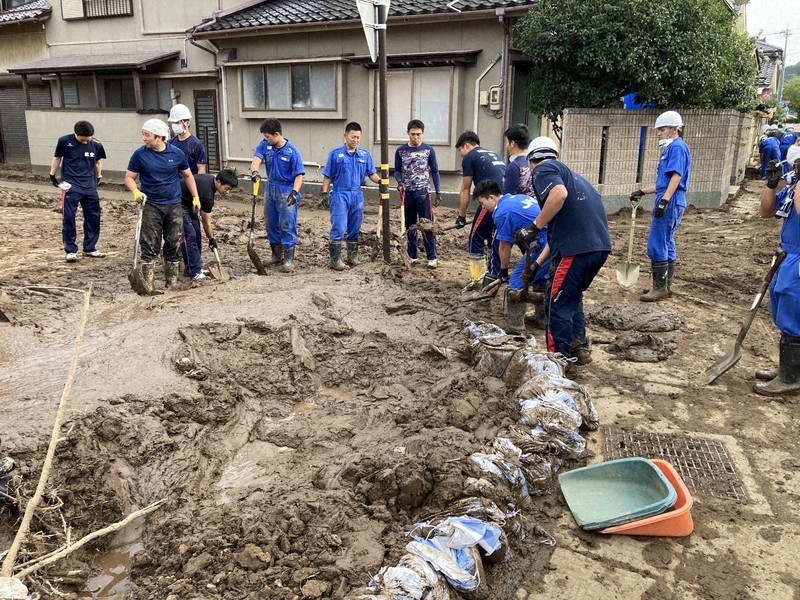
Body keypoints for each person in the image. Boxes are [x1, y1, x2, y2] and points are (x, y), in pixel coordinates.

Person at [515, 136, 611, 367]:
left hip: (576, 250)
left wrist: (532, 228)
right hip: (597, 247)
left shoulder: (544, 169)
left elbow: (558, 194)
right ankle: (578, 345)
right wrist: (536, 266)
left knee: (555, 304)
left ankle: (557, 362)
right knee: (570, 296)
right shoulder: (577, 179)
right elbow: (557, 236)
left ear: (531, 160)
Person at [125, 118, 200, 293]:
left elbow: (188, 175)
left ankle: (171, 282)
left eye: (147, 135)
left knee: (174, 242)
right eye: (143, 134)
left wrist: (196, 197)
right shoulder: (140, 154)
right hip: (150, 205)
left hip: (174, 205)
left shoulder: (176, 154)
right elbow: (129, 177)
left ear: (159, 137)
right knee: (149, 244)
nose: (143, 138)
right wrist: (135, 191)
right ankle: (148, 284)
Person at [629, 110, 692, 302]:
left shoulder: (677, 148)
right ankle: (665, 285)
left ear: (674, 130)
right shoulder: (673, 149)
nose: (658, 133)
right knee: (667, 242)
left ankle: (660, 288)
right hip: (672, 198)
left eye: (662, 129)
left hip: (671, 201)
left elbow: (676, 176)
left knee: (657, 243)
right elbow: (664, 182)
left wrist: (664, 200)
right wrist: (643, 191)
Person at [472, 179, 550, 334]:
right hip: (555, 239)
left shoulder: (502, 213)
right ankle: (542, 318)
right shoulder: (518, 198)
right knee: (541, 278)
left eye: (482, 203)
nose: (483, 207)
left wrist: (503, 271)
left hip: (545, 244)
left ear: (492, 198)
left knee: (517, 282)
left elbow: (504, 246)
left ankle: (515, 328)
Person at [754, 159, 800, 396]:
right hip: (788, 253)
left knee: (794, 314)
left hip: (799, 257)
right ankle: (788, 369)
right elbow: (766, 212)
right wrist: (771, 185)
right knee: (783, 309)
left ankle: (791, 379)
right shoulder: (793, 186)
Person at [321, 122, 380, 270]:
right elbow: (328, 176)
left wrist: (381, 182)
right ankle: (335, 260)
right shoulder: (336, 154)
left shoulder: (364, 155)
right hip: (340, 194)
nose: (355, 140)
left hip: (357, 195)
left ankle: (352, 257)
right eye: (352, 137)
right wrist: (324, 192)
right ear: (345, 136)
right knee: (339, 226)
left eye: (358, 137)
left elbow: (371, 174)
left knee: (355, 227)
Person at [250, 118, 304, 273]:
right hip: (270, 189)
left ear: (277, 134)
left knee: (286, 224)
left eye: (268, 137)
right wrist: (255, 172)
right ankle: (276, 254)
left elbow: (299, 175)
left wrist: (294, 192)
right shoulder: (265, 145)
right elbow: (256, 160)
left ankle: (289, 258)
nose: (266, 139)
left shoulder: (292, 152)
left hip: (287, 190)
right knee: (271, 222)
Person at [453, 131, 507, 287]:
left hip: (491, 199)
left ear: (466, 146)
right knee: (494, 238)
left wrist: (461, 216)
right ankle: (494, 276)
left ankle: (478, 280)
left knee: (475, 237)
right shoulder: (494, 154)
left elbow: (465, 189)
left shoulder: (470, 157)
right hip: (506, 200)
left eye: (460, 152)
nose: (462, 156)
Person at [49, 120, 107, 263]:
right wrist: (52, 175)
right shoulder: (64, 141)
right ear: (77, 134)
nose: (86, 141)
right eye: (83, 139)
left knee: (93, 217)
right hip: (71, 186)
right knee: (68, 218)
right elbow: (57, 158)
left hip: (90, 186)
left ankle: (90, 248)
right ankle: (71, 251)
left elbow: (98, 161)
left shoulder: (97, 145)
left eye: (88, 139)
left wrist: (99, 176)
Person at [394, 119, 441, 268]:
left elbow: (434, 170)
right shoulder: (401, 151)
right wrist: (400, 182)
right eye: (413, 134)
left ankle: (432, 257)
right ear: (408, 133)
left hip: (424, 193)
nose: (416, 137)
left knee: (427, 225)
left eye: (419, 134)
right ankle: (412, 255)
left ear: (423, 134)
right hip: (408, 193)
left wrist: (438, 190)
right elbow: (397, 170)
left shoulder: (428, 150)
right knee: (410, 226)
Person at [179, 169, 238, 280]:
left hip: (189, 204)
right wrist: (211, 239)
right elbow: (206, 222)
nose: (228, 192)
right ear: (219, 182)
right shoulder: (207, 195)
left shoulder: (211, 180)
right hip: (177, 203)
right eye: (227, 189)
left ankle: (194, 267)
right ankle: (194, 271)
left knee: (196, 233)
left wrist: (211, 238)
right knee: (190, 235)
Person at [168, 103, 208, 175]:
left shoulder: (197, 145)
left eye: (177, 122)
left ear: (187, 123)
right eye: (173, 123)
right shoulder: (170, 143)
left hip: (189, 183)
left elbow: (201, 171)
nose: (174, 125)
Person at [502, 123, 532, 196]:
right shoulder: (534, 162)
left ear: (512, 143)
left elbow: (508, 195)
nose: (507, 146)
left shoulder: (514, 166)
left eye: (507, 142)